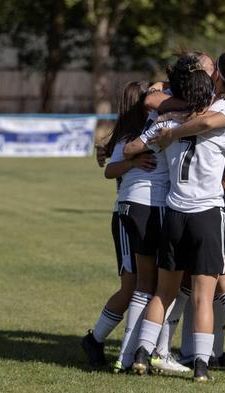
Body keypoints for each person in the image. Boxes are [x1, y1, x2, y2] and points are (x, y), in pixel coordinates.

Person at [124, 62, 225, 382]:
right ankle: (201, 366)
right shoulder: (220, 130)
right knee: (203, 295)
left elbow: (135, 146)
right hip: (206, 216)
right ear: (211, 96)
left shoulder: (166, 125)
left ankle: (143, 354)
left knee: (163, 293)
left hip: (174, 214)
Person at [81, 81, 156, 369]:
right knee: (131, 285)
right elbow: (110, 169)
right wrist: (133, 163)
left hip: (143, 211)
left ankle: (132, 348)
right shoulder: (128, 136)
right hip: (126, 216)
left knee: (143, 284)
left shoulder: (141, 133)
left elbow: (105, 154)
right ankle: (96, 339)